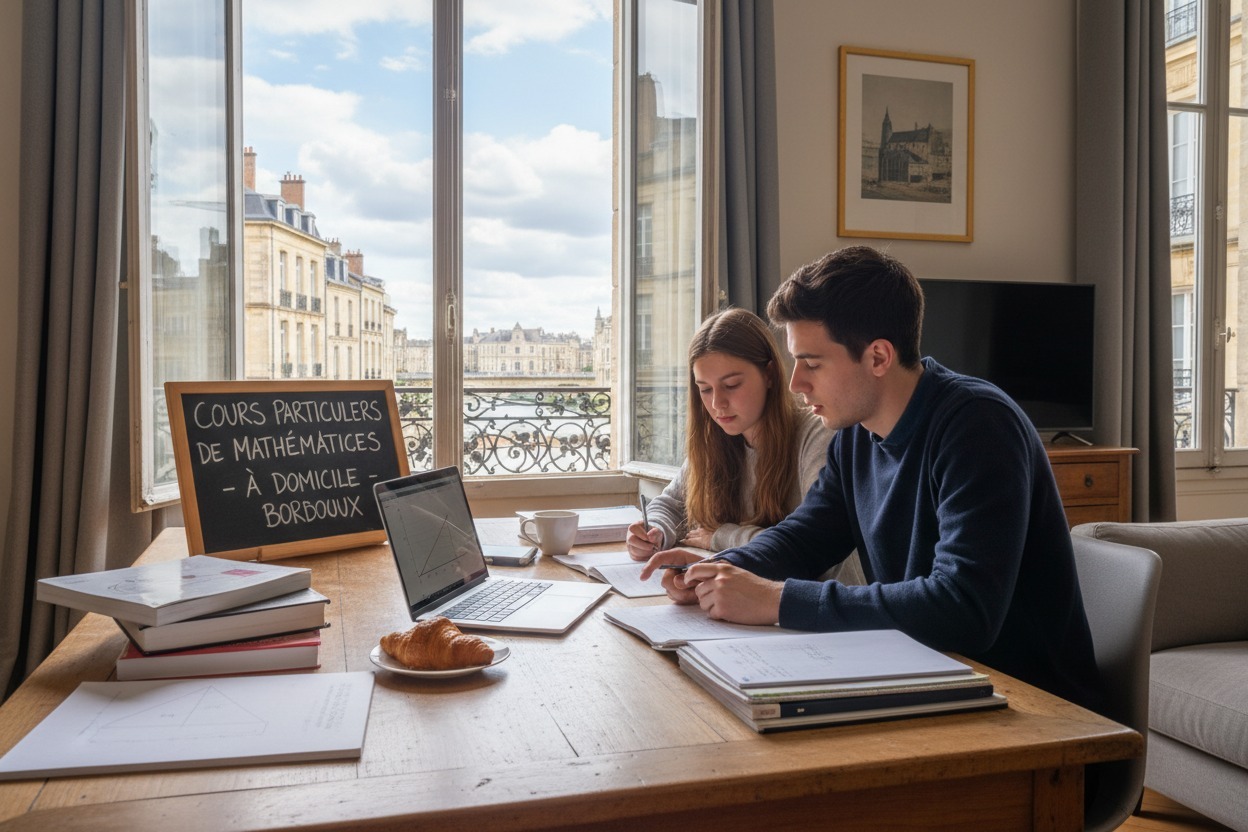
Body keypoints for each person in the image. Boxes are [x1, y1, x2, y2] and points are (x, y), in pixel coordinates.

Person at [641, 246, 1100, 711]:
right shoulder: (856, 434)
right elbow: (806, 537)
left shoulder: (978, 426)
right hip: (928, 675)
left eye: (812, 363)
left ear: (878, 356)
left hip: (1031, 707)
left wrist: (777, 600)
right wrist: (722, 570)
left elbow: (965, 609)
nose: (795, 383)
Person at [627, 308, 863, 586]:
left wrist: (721, 536)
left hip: (820, 607)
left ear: (770, 374)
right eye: (705, 389)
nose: (717, 404)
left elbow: (808, 547)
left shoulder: (817, 436)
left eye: (732, 385)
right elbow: (671, 503)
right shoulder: (716, 438)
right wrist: (655, 530)